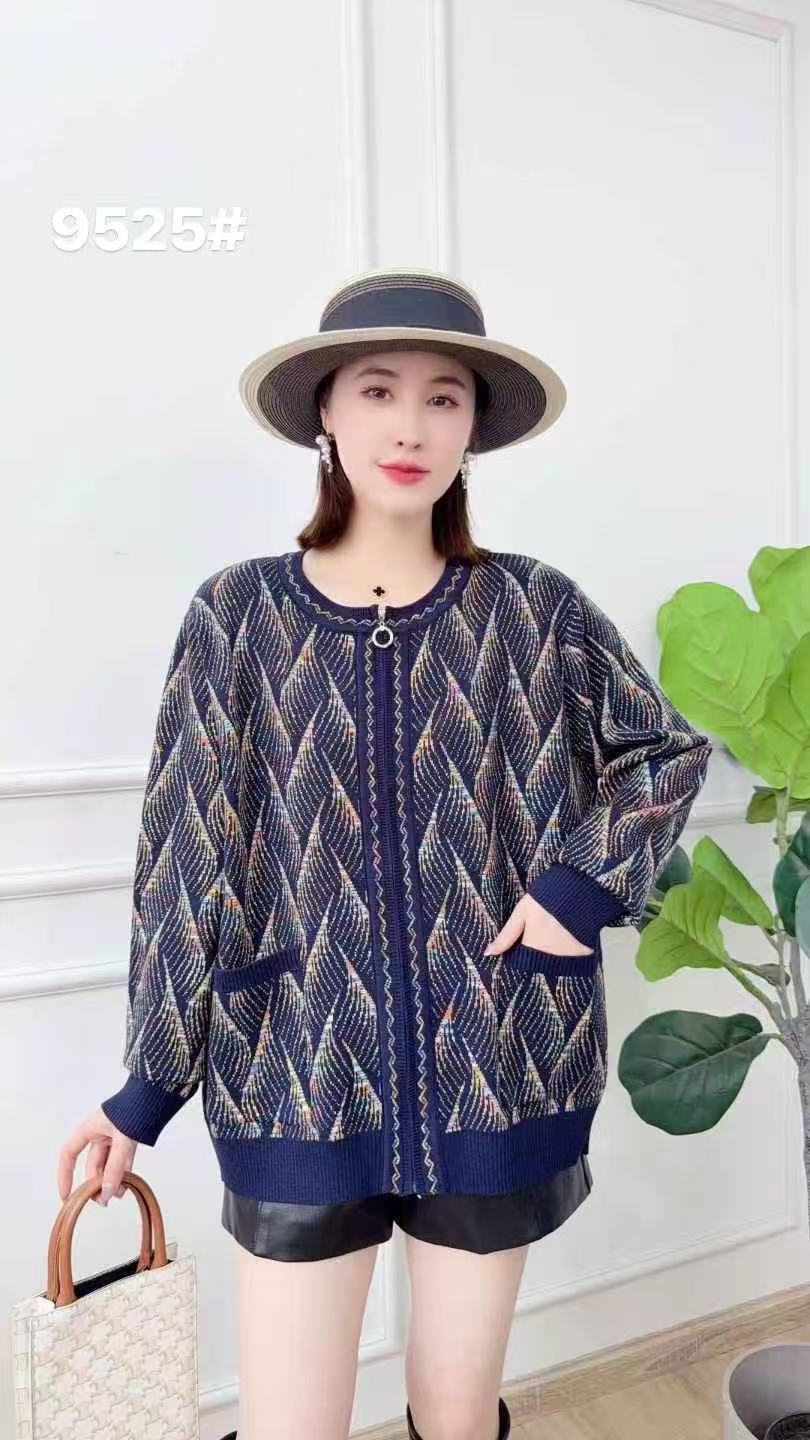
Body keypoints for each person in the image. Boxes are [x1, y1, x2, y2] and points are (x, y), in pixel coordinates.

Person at [56, 266, 712, 1440]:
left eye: (443, 398)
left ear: (473, 428)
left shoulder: (535, 611)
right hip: (294, 1073)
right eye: (377, 389)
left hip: (501, 1060)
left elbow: (661, 753)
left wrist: (576, 890)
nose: (410, 426)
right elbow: (183, 862)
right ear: (325, 410)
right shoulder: (238, 618)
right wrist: (144, 1091)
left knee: (456, 1420)